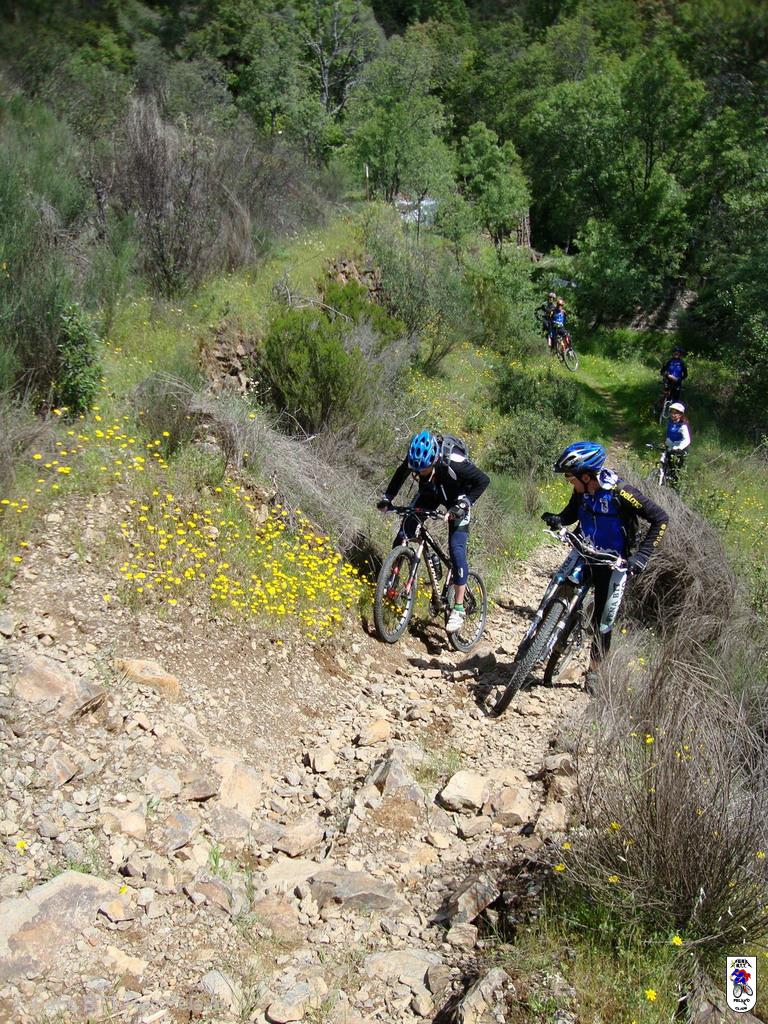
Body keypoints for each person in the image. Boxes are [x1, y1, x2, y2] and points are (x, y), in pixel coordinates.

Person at [541, 441, 668, 690]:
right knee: (560, 586)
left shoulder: (620, 492)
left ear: (586, 476)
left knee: (603, 619)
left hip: (611, 562)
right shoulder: (582, 490)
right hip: (585, 550)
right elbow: (572, 513)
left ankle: (594, 672)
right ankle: (541, 639)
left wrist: (642, 555)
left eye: (570, 478)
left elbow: (660, 519)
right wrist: (558, 519)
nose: (569, 482)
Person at [377, 429, 490, 633]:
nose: (419, 473)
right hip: (431, 492)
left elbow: (483, 480)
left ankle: (458, 608)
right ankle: (391, 580)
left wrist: (464, 504)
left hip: (458, 498)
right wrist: (388, 498)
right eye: (417, 470)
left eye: (424, 469)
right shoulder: (415, 458)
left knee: (456, 550)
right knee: (404, 531)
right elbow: (401, 473)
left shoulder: (454, 462)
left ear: (435, 459)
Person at [664, 401, 691, 483]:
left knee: (675, 471)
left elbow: (687, 440)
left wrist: (679, 448)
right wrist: (666, 443)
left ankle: (674, 484)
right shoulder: (670, 423)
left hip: (680, 450)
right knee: (666, 464)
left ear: (680, 414)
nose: (673, 415)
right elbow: (668, 436)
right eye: (671, 412)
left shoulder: (683, 425)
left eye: (675, 413)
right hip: (670, 448)